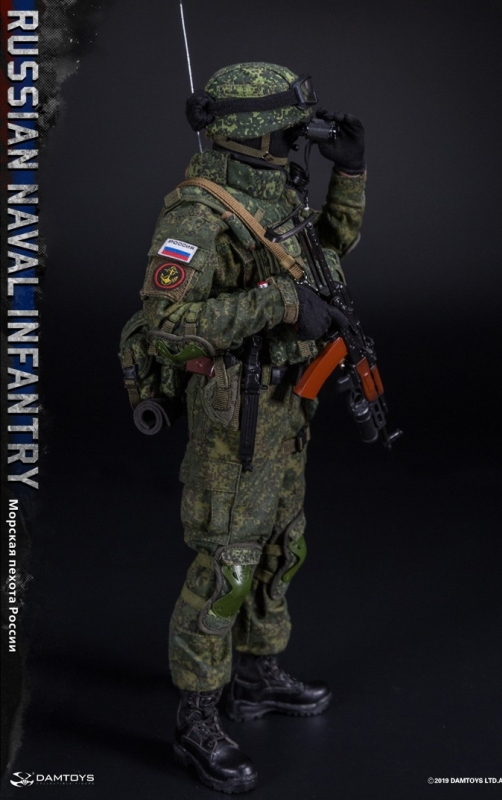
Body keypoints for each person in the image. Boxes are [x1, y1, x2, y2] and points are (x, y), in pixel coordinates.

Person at [140, 62, 366, 793]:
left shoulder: (275, 193)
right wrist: (278, 305)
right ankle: (198, 716)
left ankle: (257, 673)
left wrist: (349, 175)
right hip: (233, 419)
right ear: (254, 135)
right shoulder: (197, 217)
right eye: (289, 129)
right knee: (226, 569)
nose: (299, 139)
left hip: (285, 407)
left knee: (281, 547)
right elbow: (165, 325)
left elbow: (327, 254)